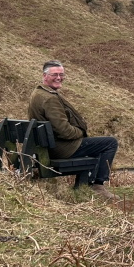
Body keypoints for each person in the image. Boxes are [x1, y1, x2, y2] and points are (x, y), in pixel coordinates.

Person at [28, 60, 119, 200]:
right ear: (44, 76)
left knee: (96, 144)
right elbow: (64, 130)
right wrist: (80, 132)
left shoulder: (38, 93)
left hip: (47, 146)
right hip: (60, 148)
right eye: (55, 75)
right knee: (110, 143)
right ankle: (98, 185)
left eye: (61, 74)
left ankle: (86, 185)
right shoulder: (49, 99)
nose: (59, 77)